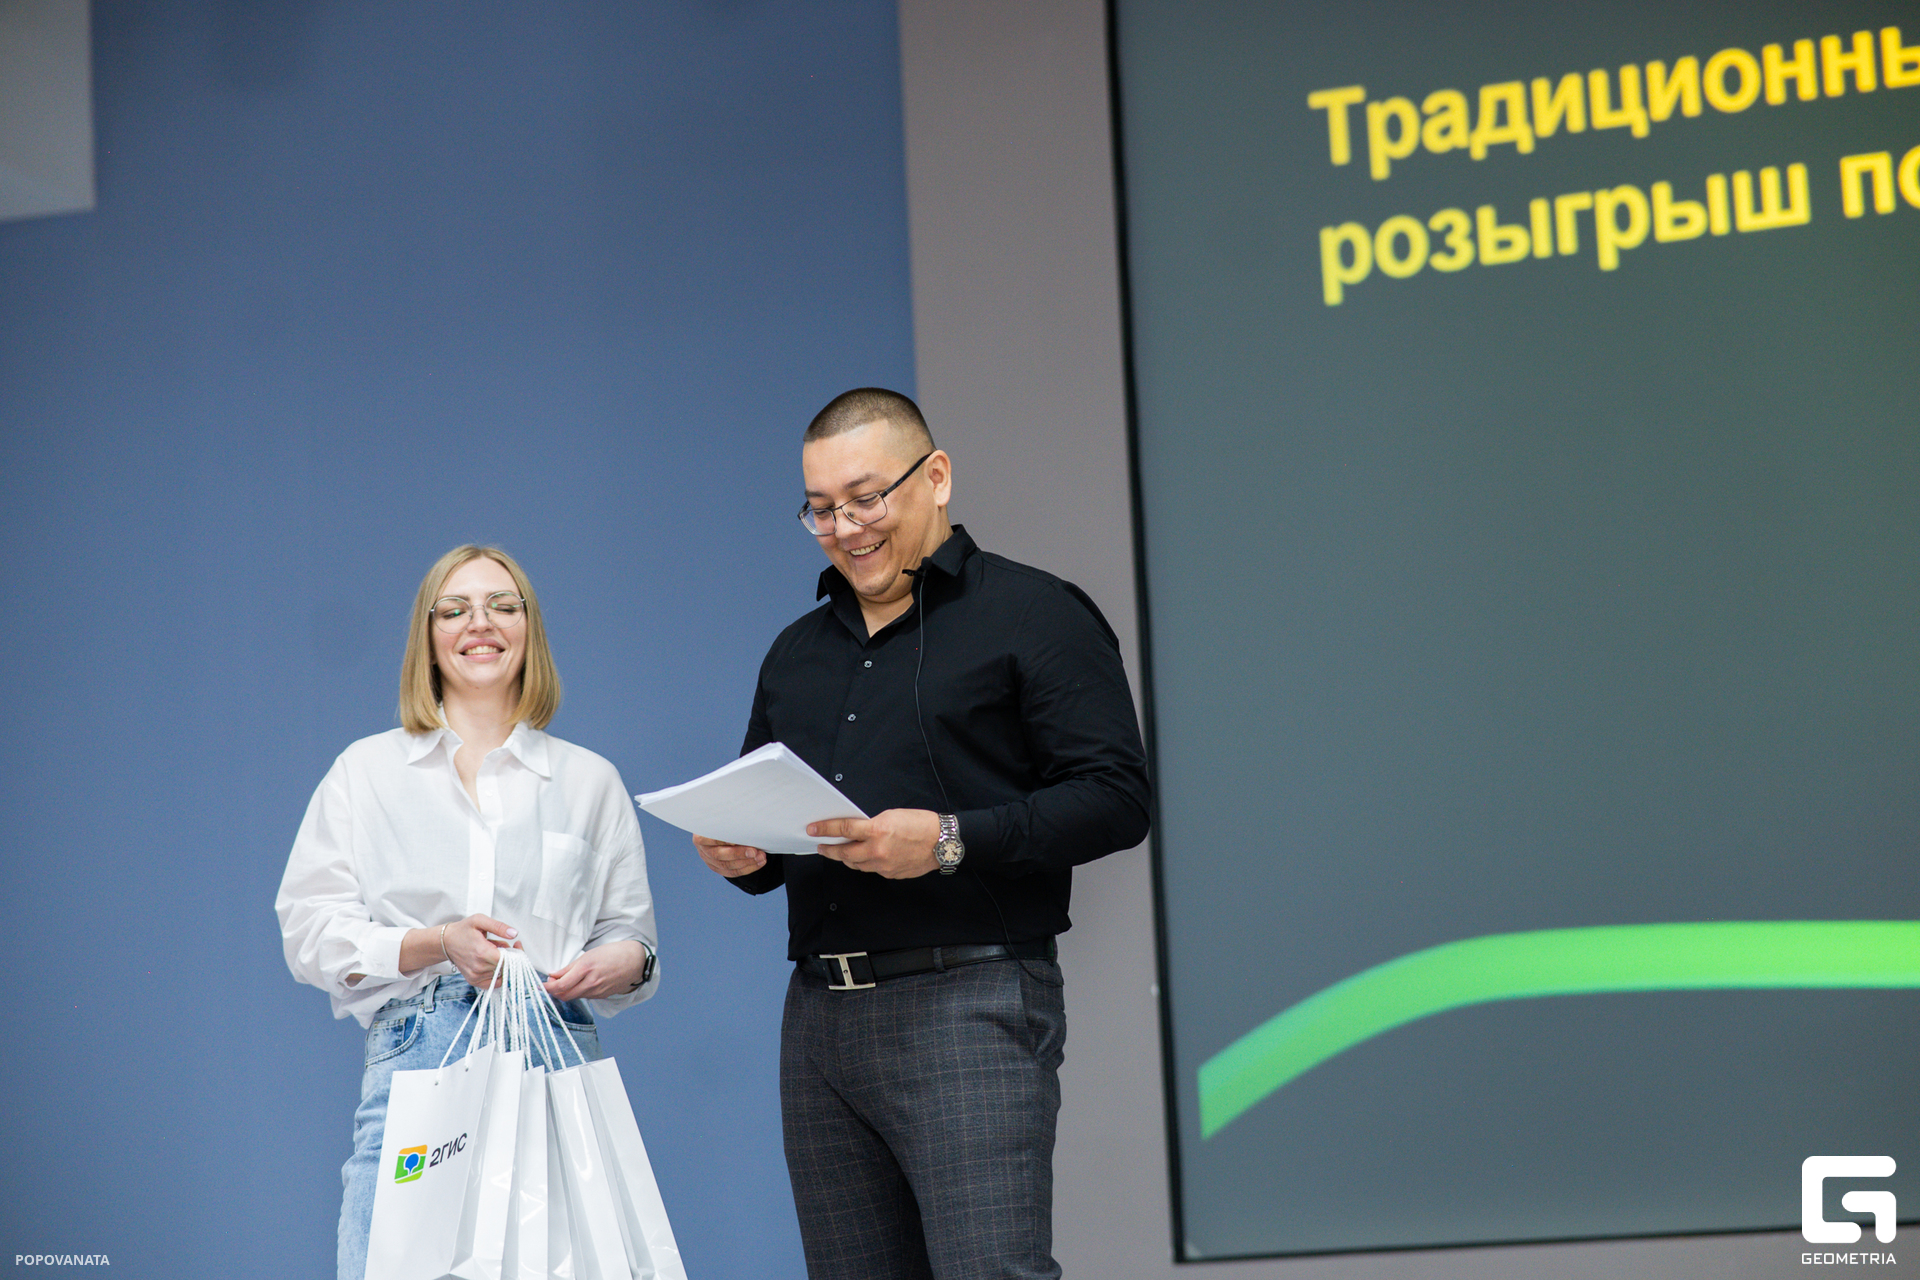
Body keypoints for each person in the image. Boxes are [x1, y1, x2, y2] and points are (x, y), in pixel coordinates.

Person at [693, 388, 1151, 1280]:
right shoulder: (796, 651)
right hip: (818, 1018)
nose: (845, 528)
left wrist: (947, 840)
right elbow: (769, 831)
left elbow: (1116, 797)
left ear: (936, 477)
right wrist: (741, 854)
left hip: (970, 1001)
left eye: (866, 498)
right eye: (821, 509)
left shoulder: (1035, 613)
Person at [276, 544, 660, 1280]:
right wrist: (439, 942)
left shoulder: (589, 782)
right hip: (420, 1058)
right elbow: (310, 933)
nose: (479, 623)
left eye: (502, 606)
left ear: (528, 629)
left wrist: (629, 962)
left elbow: (629, 934)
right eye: (454, 610)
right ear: (428, 639)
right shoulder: (366, 772)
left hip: (553, 1053)